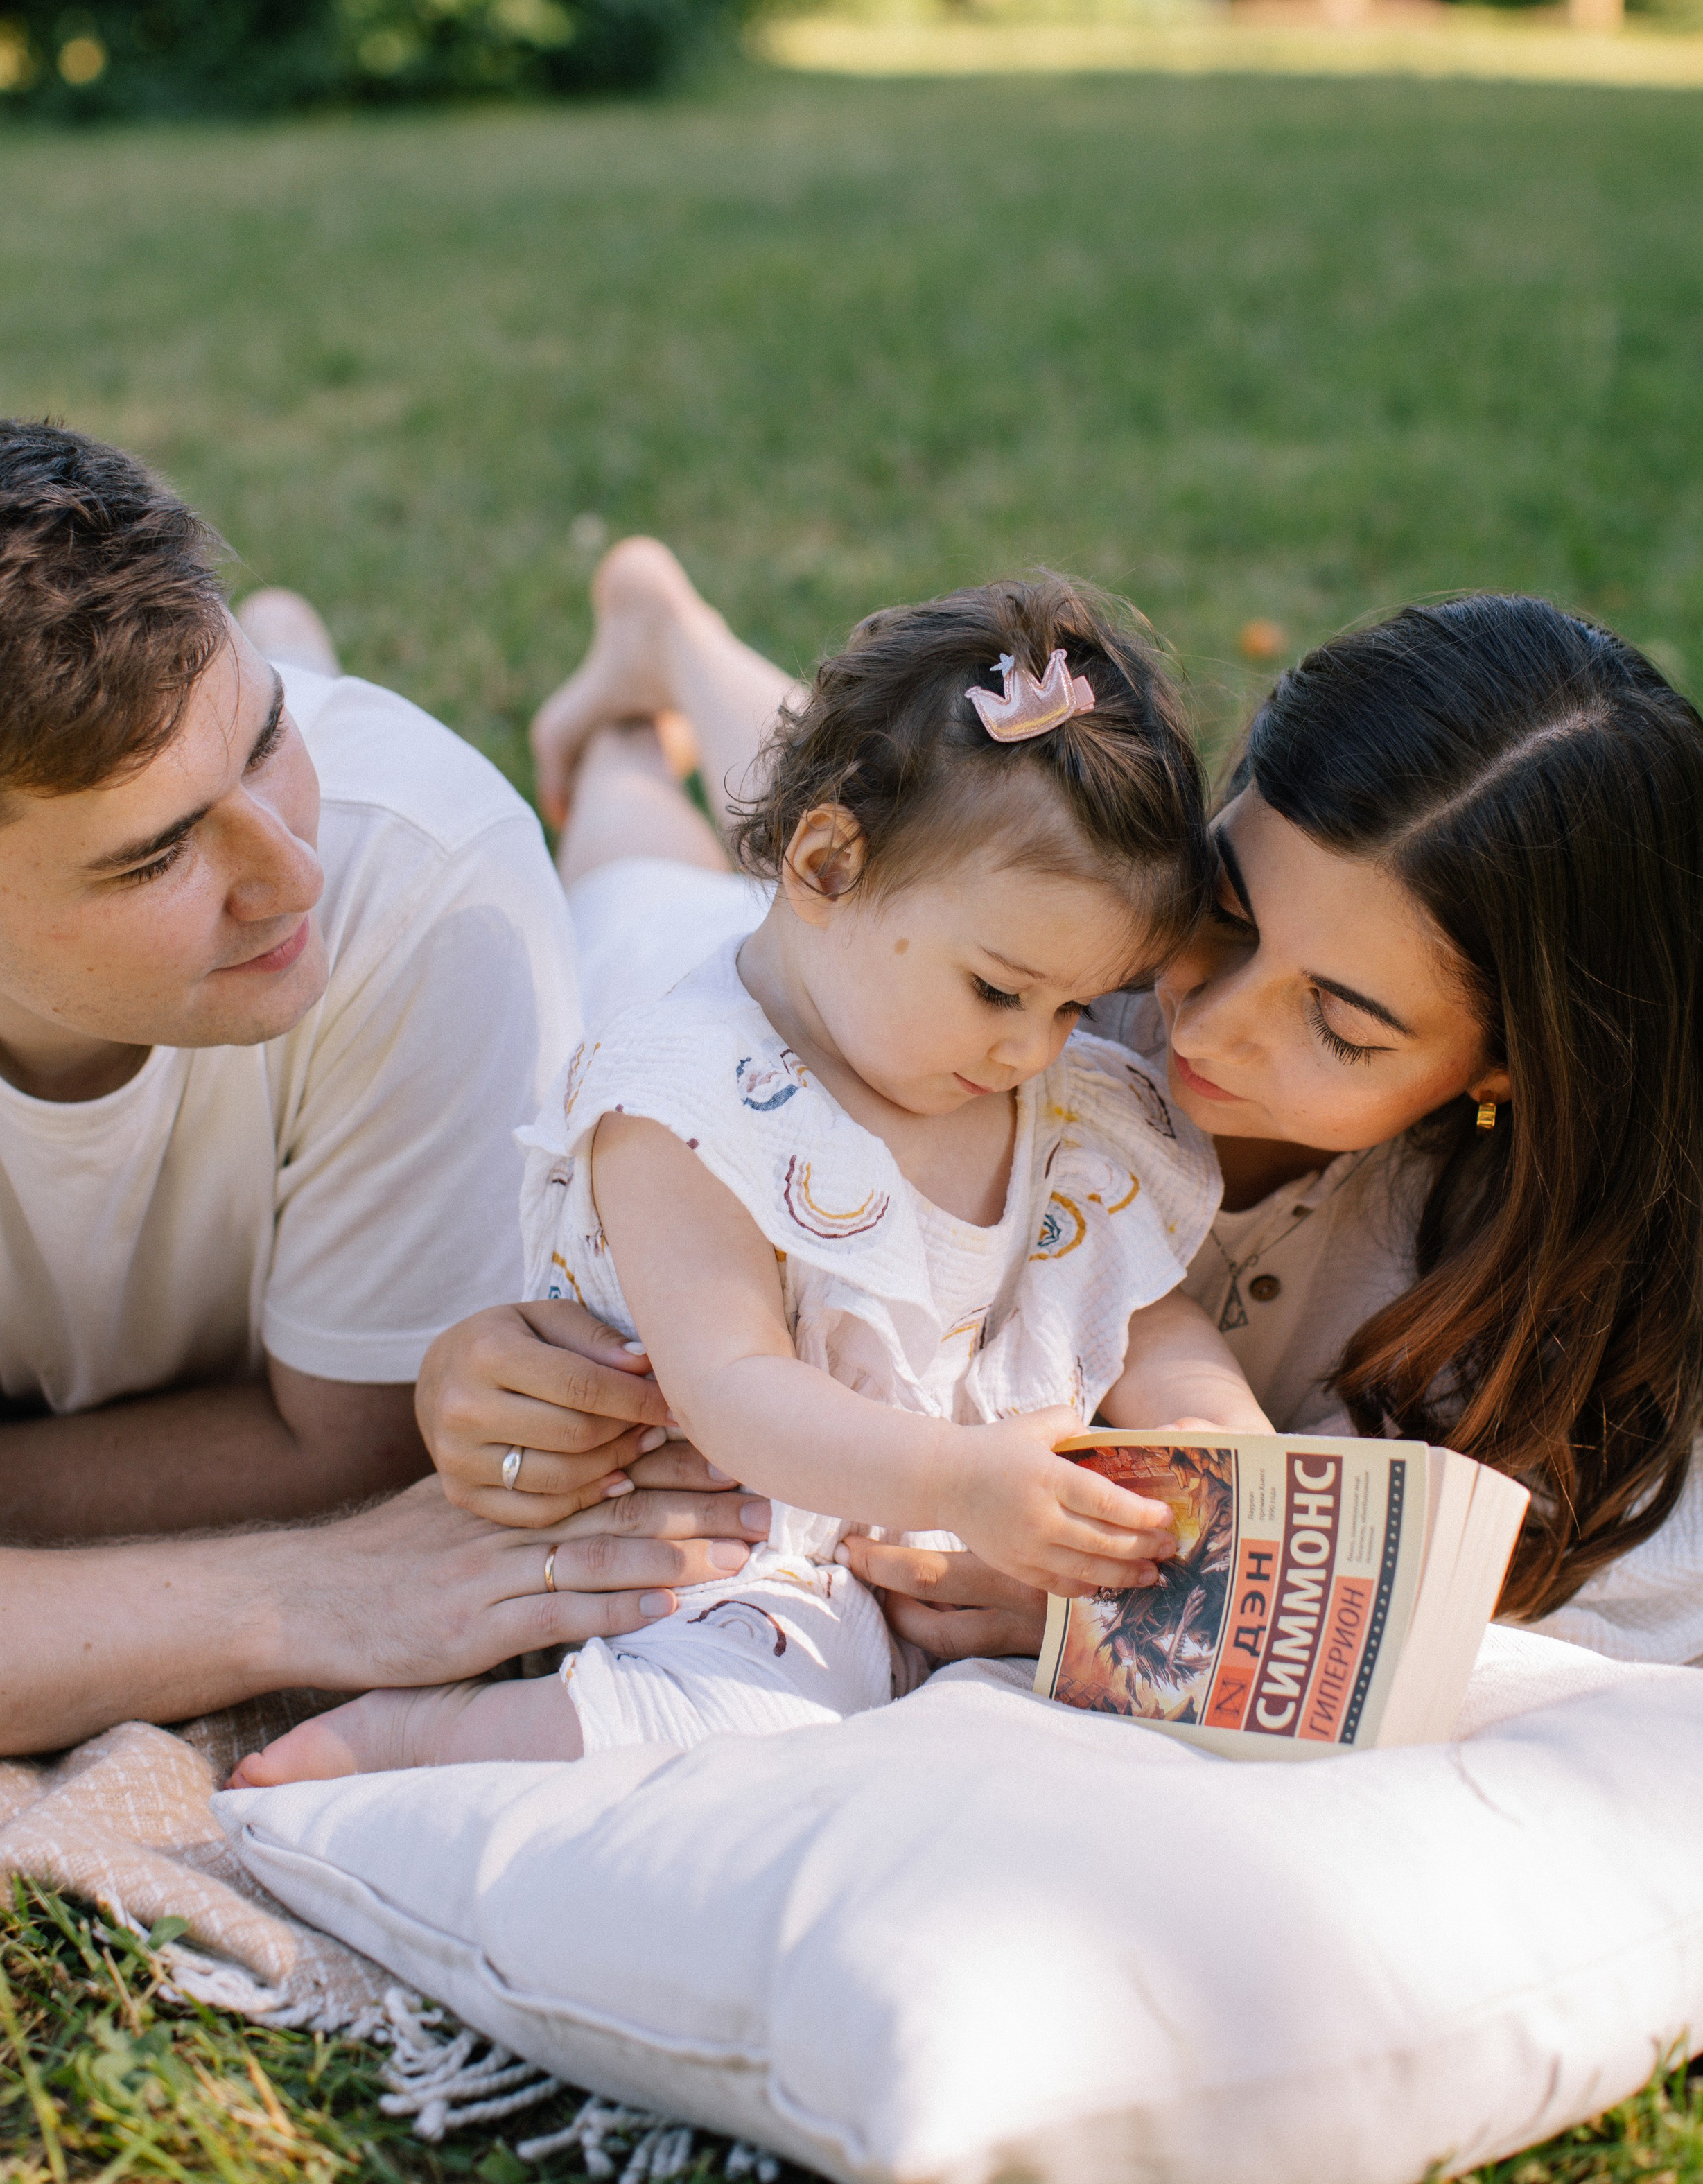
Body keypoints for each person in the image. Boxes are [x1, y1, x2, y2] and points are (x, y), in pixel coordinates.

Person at [420, 543, 1703, 1674]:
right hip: (769, 1022)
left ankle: (663, 654)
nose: (1202, 1018)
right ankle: (656, 677)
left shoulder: (1543, 1284)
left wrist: (1097, 1614)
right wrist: (479, 1381)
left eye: (1339, 1023)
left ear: (1504, 1073)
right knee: (641, 890)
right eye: (1229, 910)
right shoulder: (1052, 988)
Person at [234, 577, 1268, 1782]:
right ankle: (417, 1738)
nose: (1034, 1046)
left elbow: (1141, 1308)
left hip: (942, 1548)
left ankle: (632, 712)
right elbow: (731, 1385)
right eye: (1001, 990)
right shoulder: (681, 1110)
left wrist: (1222, 1438)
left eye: (1076, 1004)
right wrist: (957, 1478)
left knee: (651, 874)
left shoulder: (1031, 1084)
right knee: (623, 887)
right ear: (826, 863)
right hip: (753, 1542)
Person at [0, 412, 765, 1757]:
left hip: (576, 986)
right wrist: (270, 1595)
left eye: (264, 734)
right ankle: (300, 661)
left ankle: (633, 694)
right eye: (153, 859)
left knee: (649, 906)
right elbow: (319, 1527)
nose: (290, 875)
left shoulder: (414, 880)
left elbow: (355, 1447)